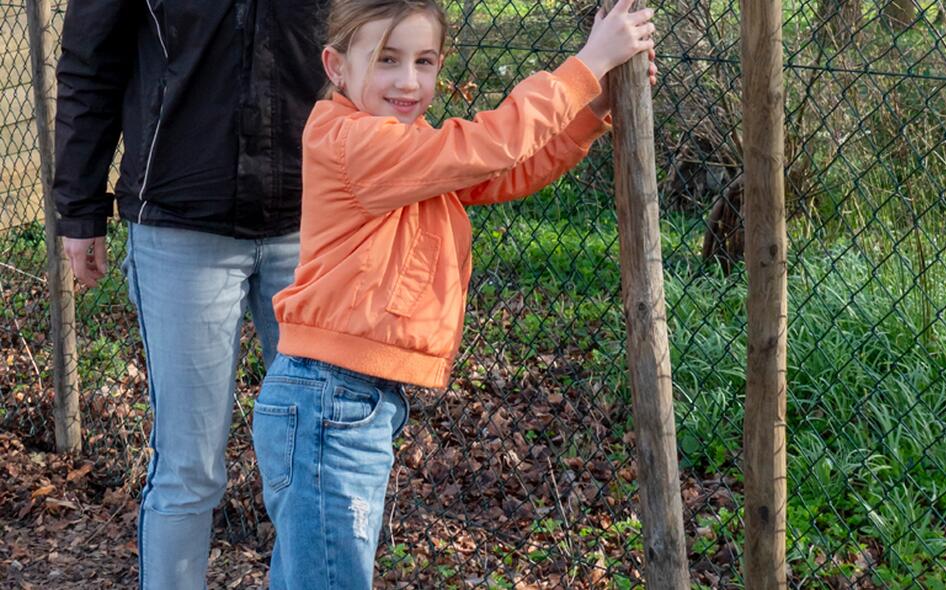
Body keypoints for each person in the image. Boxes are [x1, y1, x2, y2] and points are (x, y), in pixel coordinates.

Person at [251, 0, 658, 586]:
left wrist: (593, 109)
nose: (409, 81)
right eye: (387, 60)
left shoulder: (405, 153)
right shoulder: (351, 143)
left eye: (424, 61)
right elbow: (486, 145)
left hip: (345, 401)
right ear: (336, 66)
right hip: (329, 402)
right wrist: (587, 64)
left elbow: (505, 169)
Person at [51, 0, 327, 587]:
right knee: (188, 469)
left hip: (319, 222)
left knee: (317, 465)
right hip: (180, 221)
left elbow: (381, 43)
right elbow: (89, 61)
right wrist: (78, 207)